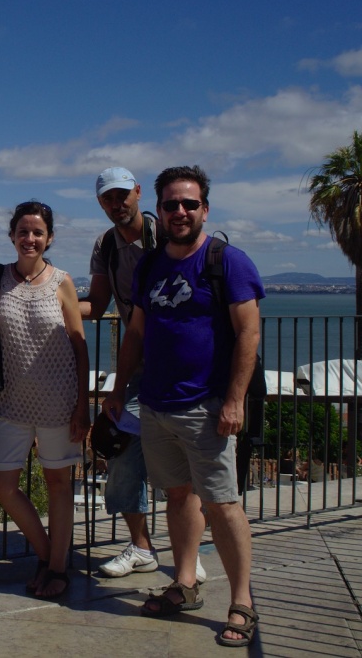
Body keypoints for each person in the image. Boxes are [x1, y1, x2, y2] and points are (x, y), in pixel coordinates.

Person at [102, 165, 264, 648]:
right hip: (155, 405)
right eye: (171, 203)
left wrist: (234, 399)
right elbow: (136, 331)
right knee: (177, 496)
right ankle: (186, 582)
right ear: (160, 207)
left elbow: (249, 333)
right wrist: (117, 387)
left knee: (224, 504)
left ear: (205, 210)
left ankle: (242, 602)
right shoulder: (152, 265)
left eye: (189, 204)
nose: (179, 211)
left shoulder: (227, 262)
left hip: (206, 406)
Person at [78, 167, 206, 585]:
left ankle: (188, 552)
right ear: (101, 204)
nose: (117, 204)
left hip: (180, 364)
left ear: (137, 192)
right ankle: (142, 546)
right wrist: (44, 298)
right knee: (120, 448)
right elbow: (95, 306)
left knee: (186, 455)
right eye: (108, 199)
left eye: (122, 195)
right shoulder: (106, 246)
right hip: (137, 364)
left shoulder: (168, 233)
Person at [0, 201, 90, 599]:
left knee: (58, 484)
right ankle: (50, 554)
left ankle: (55, 569)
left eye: (37, 232)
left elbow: (78, 343)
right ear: (12, 235)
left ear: (49, 238)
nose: (29, 238)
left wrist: (83, 403)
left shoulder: (62, 281)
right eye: (23, 231)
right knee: (0, 483)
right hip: (13, 399)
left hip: (59, 398)